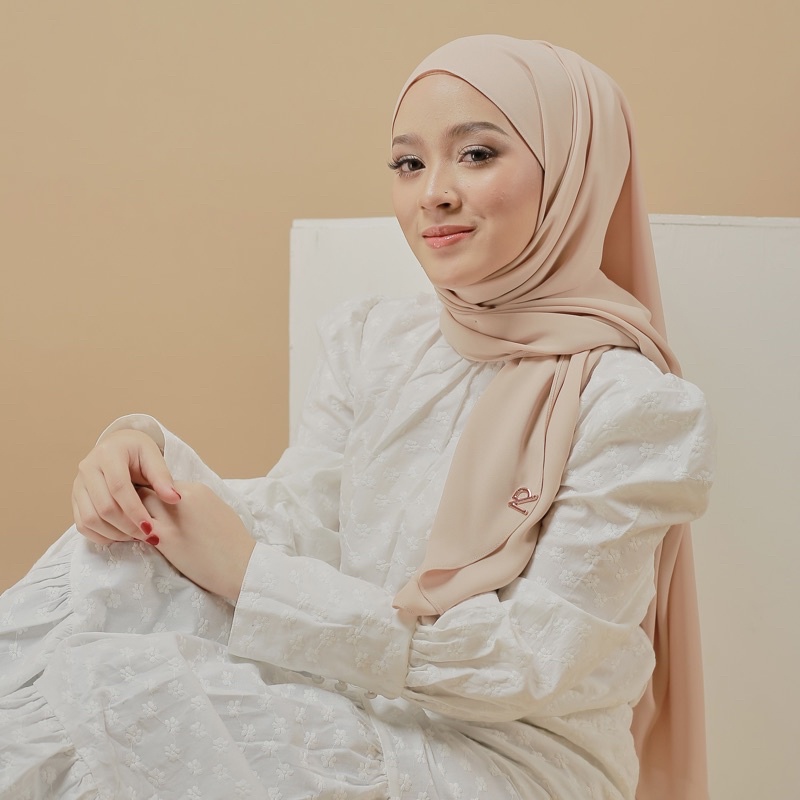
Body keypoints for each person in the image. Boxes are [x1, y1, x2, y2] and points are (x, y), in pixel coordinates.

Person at [0, 35, 713, 800]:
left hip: (508, 756)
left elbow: (527, 663)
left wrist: (250, 574)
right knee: (108, 562)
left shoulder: (636, 407)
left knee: (135, 704)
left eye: (476, 154)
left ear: (574, 170)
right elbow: (301, 521)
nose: (433, 193)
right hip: (359, 695)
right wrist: (143, 464)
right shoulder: (376, 341)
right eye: (409, 164)